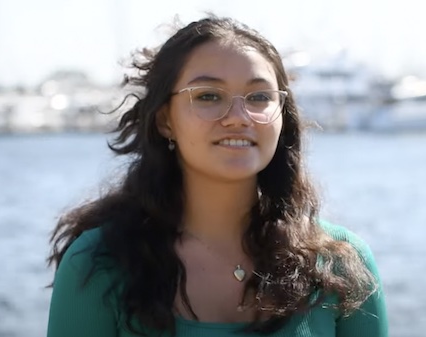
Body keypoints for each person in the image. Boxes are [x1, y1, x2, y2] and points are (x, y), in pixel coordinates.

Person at [46, 15, 388, 337]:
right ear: (166, 120)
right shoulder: (97, 264)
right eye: (208, 96)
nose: (239, 117)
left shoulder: (342, 263)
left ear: (282, 115)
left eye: (259, 97)